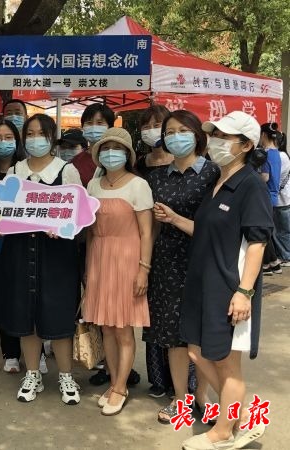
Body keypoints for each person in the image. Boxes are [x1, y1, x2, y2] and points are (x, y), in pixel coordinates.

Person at [156, 111, 271, 450]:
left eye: (224, 136)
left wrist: (244, 292)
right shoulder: (218, 181)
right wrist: (175, 219)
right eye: (215, 134)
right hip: (202, 284)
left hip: (229, 286)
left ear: (246, 146)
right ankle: (240, 415)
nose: (216, 141)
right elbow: (206, 231)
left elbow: (258, 243)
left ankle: (223, 432)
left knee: (226, 361)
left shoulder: (249, 184)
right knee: (196, 351)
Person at [0, 113, 83, 405]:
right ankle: (32, 374)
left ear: (52, 137)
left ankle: (66, 375)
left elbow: (79, 216)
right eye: (29, 134)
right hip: (19, 252)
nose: (34, 139)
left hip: (57, 256)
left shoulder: (66, 171)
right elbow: (3, 210)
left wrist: (64, 227)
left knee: (59, 314)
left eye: (41, 133)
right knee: (26, 315)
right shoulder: (15, 170)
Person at [143, 110, 220, 423]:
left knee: (200, 336)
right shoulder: (157, 177)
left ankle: (202, 395)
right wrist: (145, 264)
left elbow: (218, 227)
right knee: (173, 336)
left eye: (182, 130)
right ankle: (180, 398)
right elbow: (152, 227)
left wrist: (175, 218)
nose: (176, 137)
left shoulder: (214, 173)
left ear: (197, 135)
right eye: (170, 132)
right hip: (166, 264)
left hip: (203, 262)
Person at [84, 127, 153, 416]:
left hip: (127, 259)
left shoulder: (138, 185)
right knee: (106, 327)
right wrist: (88, 269)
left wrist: (143, 270)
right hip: (99, 258)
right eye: (106, 148)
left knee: (123, 328)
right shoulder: (92, 185)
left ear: (128, 154)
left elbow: (146, 233)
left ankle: (122, 387)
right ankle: (114, 382)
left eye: (117, 149)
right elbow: (89, 231)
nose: (111, 154)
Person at [135, 105, 175, 398]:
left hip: (177, 246)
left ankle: (182, 383)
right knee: (151, 314)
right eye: (146, 125)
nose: (152, 130)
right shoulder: (138, 165)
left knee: (175, 314)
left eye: (158, 124)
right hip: (144, 246)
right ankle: (158, 379)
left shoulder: (186, 164)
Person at [0, 118, 26, 373]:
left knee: (26, 296)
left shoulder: (25, 170)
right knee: (3, 297)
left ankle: (36, 352)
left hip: (22, 245)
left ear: (17, 141)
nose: (3, 143)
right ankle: (10, 352)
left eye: (8, 138)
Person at [258, 122, 283, 275]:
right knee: (265, 229)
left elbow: (265, 177)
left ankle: (269, 263)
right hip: (273, 197)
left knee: (261, 230)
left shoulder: (265, 154)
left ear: (263, 135)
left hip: (265, 196)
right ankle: (272, 262)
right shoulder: (277, 153)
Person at [71, 103, 115, 186]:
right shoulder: (75, 162)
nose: (94, 126)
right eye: (89, 123)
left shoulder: (118, 158)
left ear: (110, 127)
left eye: (100, 123)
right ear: (82, 127)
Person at [136, 105, 174, 178]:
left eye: (156, 126)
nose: (151, 131)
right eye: (146, 127)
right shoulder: (140, 164)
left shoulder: (180, 160)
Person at [271, 130, 290, 264]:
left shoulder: (280, 156)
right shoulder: (284, 155)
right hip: (284, 198)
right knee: (283, 230)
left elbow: (275, 178)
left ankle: (286, 256)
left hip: (281, 200)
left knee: (282, 231)